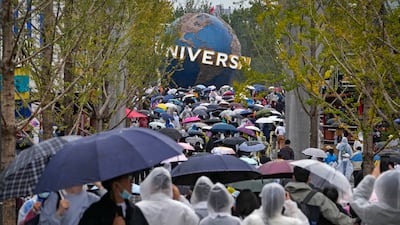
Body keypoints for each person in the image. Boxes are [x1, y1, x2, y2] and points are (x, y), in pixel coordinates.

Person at [285, 166, 354, 225]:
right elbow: (335, 216)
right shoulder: (318, 197)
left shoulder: (282, 194)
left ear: (293, 177)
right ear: (309, 178)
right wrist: (353, 221)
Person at [78, 174, 148, 225]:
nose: (131, 183)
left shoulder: (134, 210)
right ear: (116, 186)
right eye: (127, 179)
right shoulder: (95, 212)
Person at [242, 183, 308, 225]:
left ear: (263, 199)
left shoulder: (252, 220)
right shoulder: (293, 222)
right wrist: (289, 204)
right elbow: (304, 222)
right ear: (282, 200)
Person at [39, 184, 104, 225]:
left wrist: (101, 187)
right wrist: (58, 214)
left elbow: (111, 210)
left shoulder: (92, 199)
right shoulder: (55, 198)